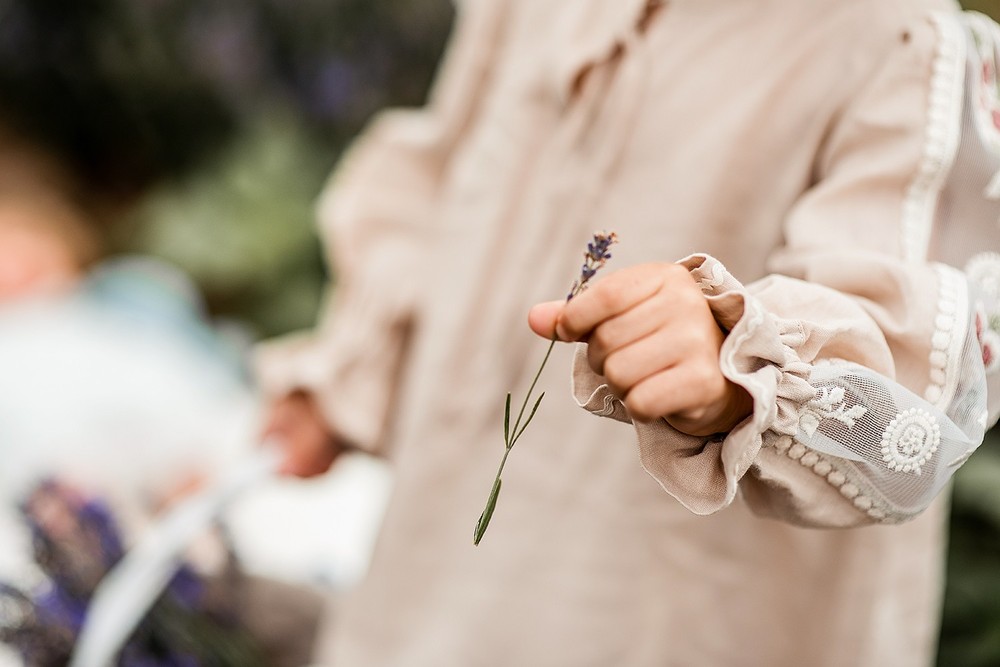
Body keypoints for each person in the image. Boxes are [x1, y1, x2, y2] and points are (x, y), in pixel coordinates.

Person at [257, 0, 1000, 664]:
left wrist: (735, 371)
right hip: (432, 594)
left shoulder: (895, 39)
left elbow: (909, 380)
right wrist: (346, 380)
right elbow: (447, 179)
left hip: (659, 618)